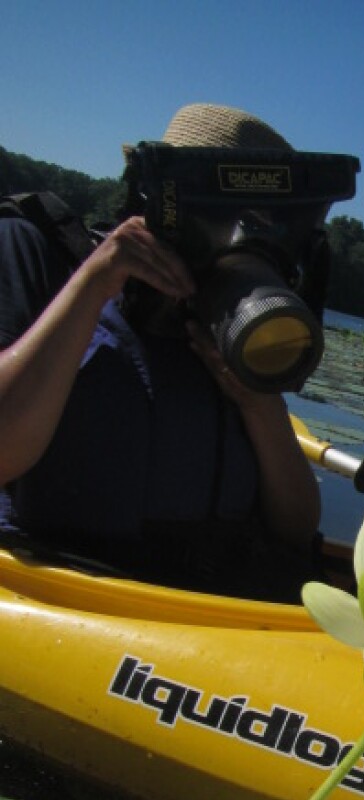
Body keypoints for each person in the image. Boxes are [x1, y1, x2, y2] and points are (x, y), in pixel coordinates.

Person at [0, 103, 323, 601]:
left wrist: (260, 405)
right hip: (63, 595)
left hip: (210, 613)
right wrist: (93, 284)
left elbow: (295, 530)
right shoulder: (39, 253)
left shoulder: (232, 326)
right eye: (219, 216)